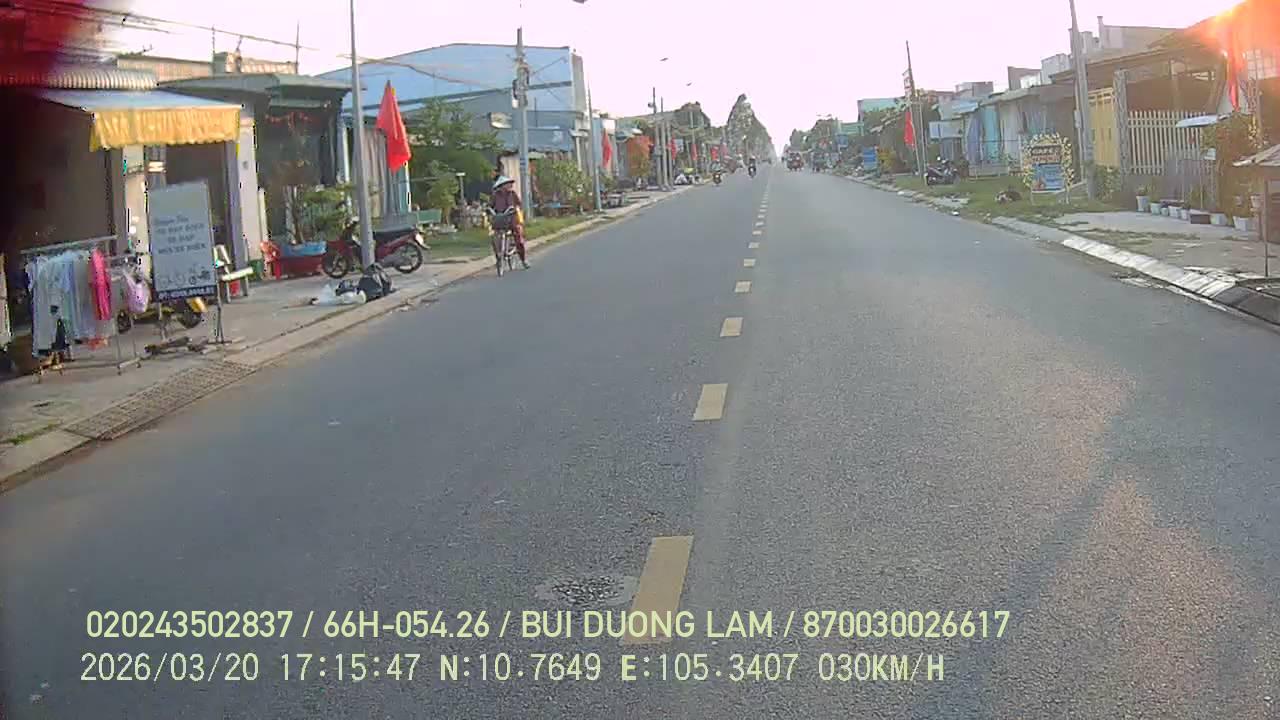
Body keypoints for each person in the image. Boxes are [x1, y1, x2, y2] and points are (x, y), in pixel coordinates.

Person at [490, 176, 529, 269]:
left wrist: (516, 209)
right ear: (502, 186)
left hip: (512, 220)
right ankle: (499, 258)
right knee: (494, 239)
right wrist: (489, 211)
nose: (510, 185)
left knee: (519, 239)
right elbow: (490, 206)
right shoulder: (495, 195)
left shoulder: (512, 194)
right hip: (500, 220)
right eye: (507, 184)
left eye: (510, 183)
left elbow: (519, 204)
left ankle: (523, 260)